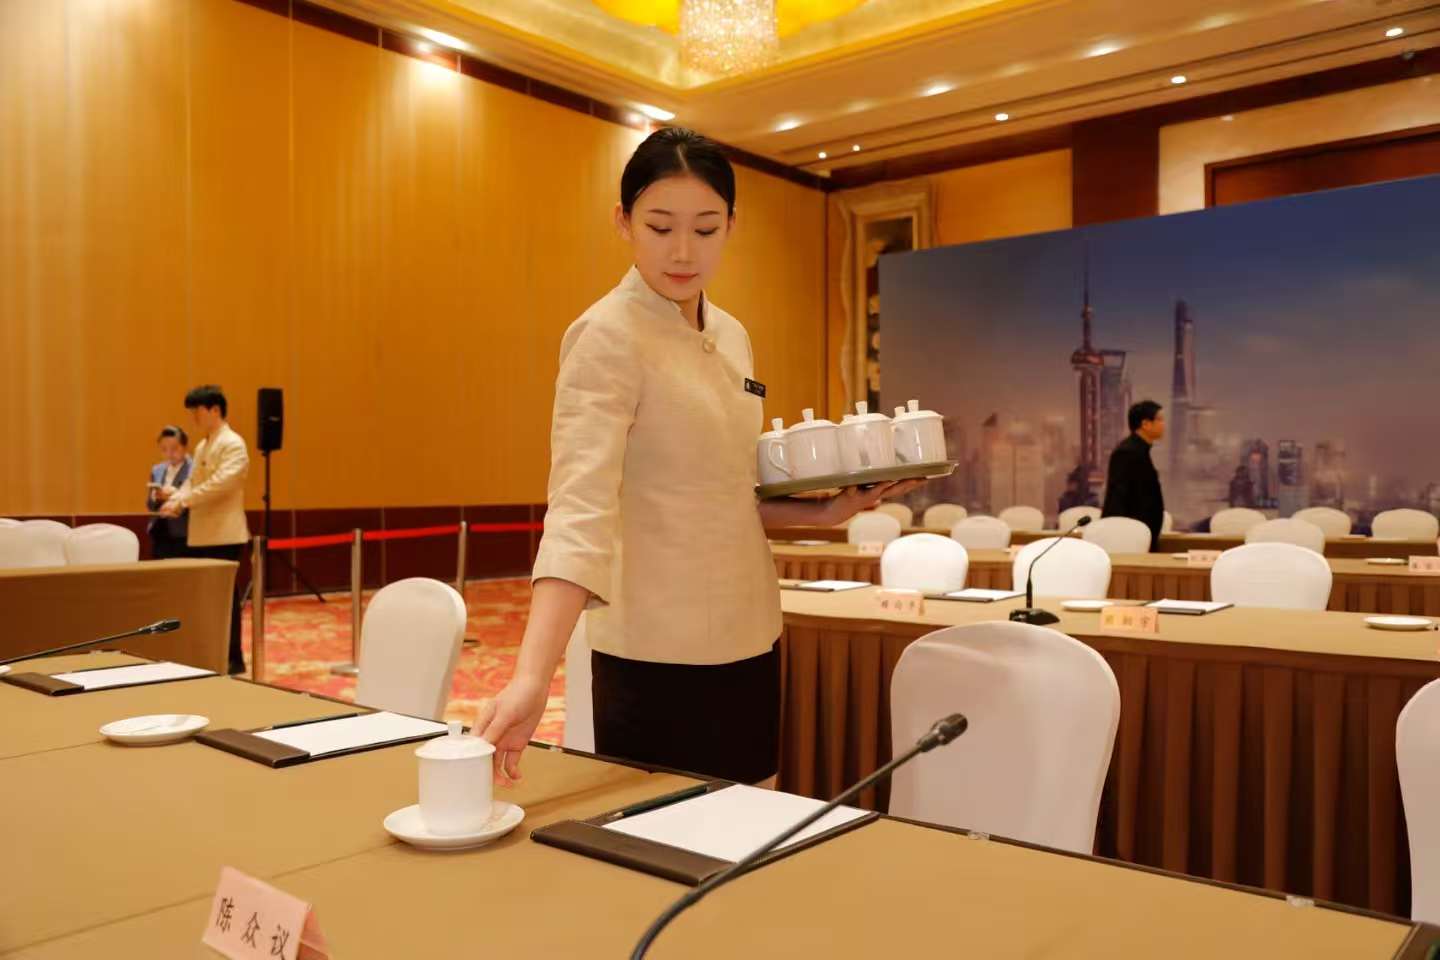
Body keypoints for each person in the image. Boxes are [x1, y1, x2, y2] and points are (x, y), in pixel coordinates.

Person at [476, 127, 917, 787]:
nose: (683, 251)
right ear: (623, 222)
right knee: (657, 836)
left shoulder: (732, 334)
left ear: (731, 225)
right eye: (660, 227)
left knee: (752, 822)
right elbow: (578, 513)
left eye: (706, 229)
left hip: (749, 636)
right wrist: (532, 676)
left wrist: (824, 514)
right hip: (654, 652)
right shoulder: (606, 336)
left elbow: (721, 494)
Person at [159, 385, 250, 674]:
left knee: (225, 601)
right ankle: (211, 654)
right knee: (206, 600)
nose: (193, 417)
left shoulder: (233, 443)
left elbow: (220, 484)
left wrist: (183, 501)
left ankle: (232, 657)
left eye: (197, 411)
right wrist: (175, 499)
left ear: (214, 409)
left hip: (224, 533)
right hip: (202, 533)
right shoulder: (202, 446)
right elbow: (193, 481)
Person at [1101, 400, 1166, 551]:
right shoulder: (1127, 452)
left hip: (1141, 533)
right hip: (1128, 537)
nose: (1163, 424)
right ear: (1145, 424)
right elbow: (1119, 497)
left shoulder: (1140, 450)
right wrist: (1125, 533)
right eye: (1159, 419)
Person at [146, 425, 192, 559]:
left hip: (184, 531)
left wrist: (173, 495)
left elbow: (197, 498)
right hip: (160, 529)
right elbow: (149, 505)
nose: (169, 453)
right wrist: (156, 497)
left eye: (174, 448)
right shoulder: (157, 470)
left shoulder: (194, 469)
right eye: (164, 449)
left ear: (185, 447)